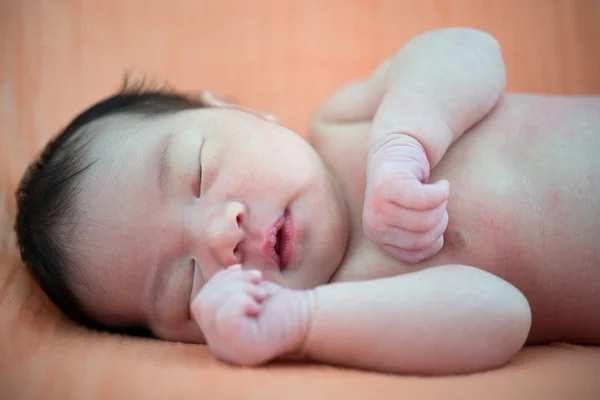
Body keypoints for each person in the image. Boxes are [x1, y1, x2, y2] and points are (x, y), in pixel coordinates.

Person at [14, 28, 600, 375]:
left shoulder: (347, 121)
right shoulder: (351, 306)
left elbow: (471, 50)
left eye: (197, 173)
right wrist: (302, 323)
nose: (222, 236)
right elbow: (503, 316)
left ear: (234, 109)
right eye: (187, 282)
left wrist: (404, 140)